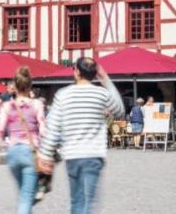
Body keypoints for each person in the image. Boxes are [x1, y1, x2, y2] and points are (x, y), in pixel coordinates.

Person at [38, 57, 125, 214]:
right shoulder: (102, 94)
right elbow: (120, 111)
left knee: (77, 202)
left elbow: (52, 127)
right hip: (93, 155)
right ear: (94, 73)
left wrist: (45, 155)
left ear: (77, 72)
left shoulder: (62, 95)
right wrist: (105, 78)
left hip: (73, 156)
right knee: (89, 203)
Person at [0, 67, 46, 213]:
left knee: (24, 195)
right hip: (30, 152)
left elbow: (0, 131)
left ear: (15, 85)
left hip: (13, 152)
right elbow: (44, 130)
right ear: (30, 85)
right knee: (27, 197)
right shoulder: (37, 104)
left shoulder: (7, 106)